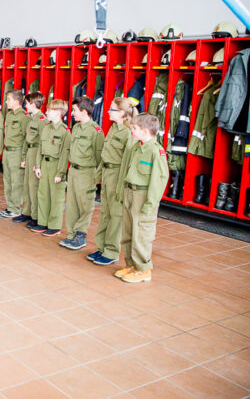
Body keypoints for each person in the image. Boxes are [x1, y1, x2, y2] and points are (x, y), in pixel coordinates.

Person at [114, 113, 169, 283]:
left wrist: (150, 203)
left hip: (143, 196)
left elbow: (159, 180)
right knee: (129, 232)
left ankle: (144, 269)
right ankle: (131, 264)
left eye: (134, 129)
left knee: (141, 234)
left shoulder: (155, 151)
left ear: (145, 130)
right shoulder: (137, 147)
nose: (132, 132)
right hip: (130, 193)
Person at [88, 98, 136, 266]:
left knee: (116, 215)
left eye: (112, 109)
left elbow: (127, 161)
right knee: (105, 213)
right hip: (108, 172)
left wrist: (121, 184)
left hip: (118, 175)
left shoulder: (129, 132)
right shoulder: (114, 128)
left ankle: (111, 252)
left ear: (122, 113)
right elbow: (105, 155)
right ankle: (102, 247)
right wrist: (98, 175)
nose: (108, 111)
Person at [60, 96, 105, 250]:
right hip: (73, 171)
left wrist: (97, 179)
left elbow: (99, 157)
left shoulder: (96, 131)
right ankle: (71, 234)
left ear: (84, 111)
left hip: (87, 173)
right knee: (72, 204)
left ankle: (81, 235)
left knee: (85, 205)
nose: (72, 113)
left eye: (74, 110)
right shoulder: (76, 128)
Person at [32, 99, 71, 236]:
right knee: (43, 194)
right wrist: (38, 166)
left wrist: (60, 173)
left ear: (59, 112)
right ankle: (43, 222)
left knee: (56, 197)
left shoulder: (65, 131)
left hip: (56, 165)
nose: (47, 112)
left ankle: (54, 226)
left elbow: (64, 154)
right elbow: (40, 149)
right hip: (44, 163)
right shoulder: (46, 128)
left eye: (50, 110)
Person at [16, 92, 47, 225]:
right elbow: (26, 140)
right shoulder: (32, 118)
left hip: (36, 153)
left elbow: (42, 143)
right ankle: (27, 212)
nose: (25, 105)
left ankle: (35, 216)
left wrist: (37, 162)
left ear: (33, 104)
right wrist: (23, 157)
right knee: (27, 185)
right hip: (29, 152)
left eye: (27, 103)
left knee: (34, 186)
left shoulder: (42, 120)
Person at [1, 89, 30, 218]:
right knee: (7, 180)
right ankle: (10, 206)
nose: (6, 102)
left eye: (8, 99)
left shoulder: (24, 117)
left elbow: (26, 139)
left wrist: (24, 157)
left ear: (17, 101)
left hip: (17, 153)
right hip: (7, 151)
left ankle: (16, 208)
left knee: (16, 182)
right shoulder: (9, 115)